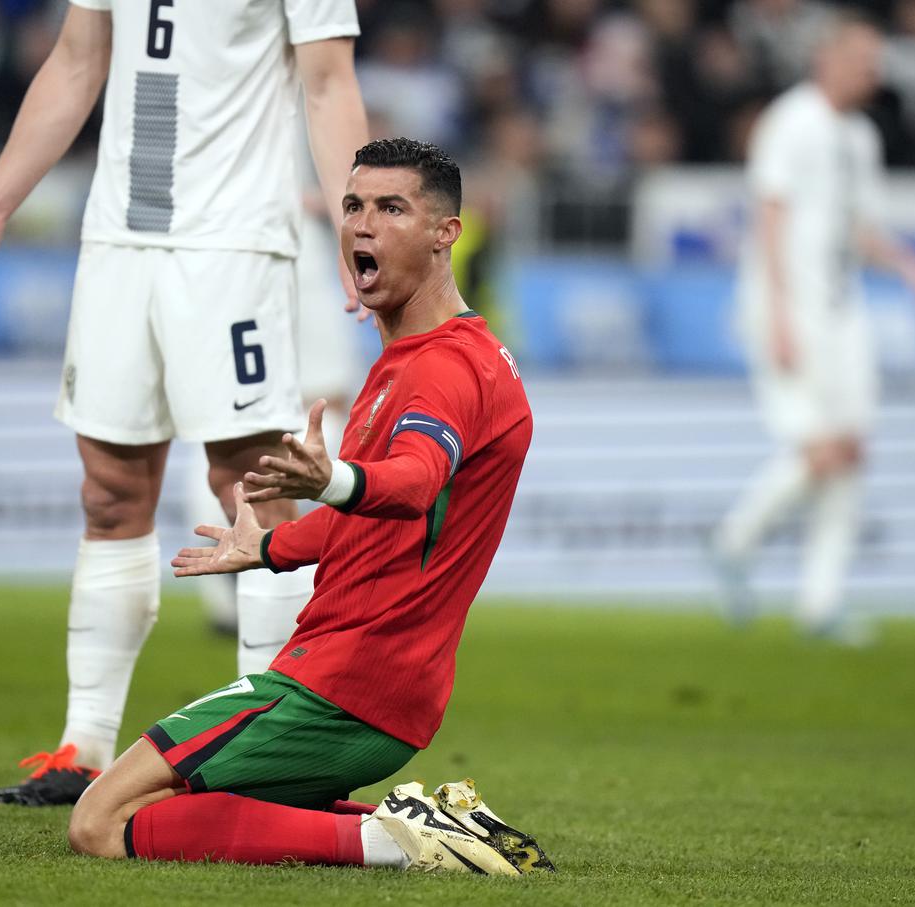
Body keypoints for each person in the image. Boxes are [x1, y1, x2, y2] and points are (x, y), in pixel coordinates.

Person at [0, 1, 370, 805]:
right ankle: (82, 749)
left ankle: (268, 754)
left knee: (257, 485)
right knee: (109, 489)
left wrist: (356, 218)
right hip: (119, 239)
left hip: (231, 241)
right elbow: (78, 60)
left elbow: (327, 82)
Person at [64, 138, 553, 875]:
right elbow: (379, 517)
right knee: (185, 816)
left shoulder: (448, 368)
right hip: (371, 686)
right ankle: (435, 827)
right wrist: (267, 547)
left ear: (445, 232)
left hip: (342, 686)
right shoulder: (423, 357)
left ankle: (392, 843)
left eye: (393, 208)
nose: (362, 225)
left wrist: (331, 480)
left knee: (100, 822)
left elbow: (414, 482)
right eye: (353, 205)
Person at [713, 11, 915, 642]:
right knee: (821, 450)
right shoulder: (793, 122)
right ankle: (735, 540)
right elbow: (771, 216)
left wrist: (912, 266)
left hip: (845, 310)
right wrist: (779, 312)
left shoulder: (860, 136)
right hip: (793, 307)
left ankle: (820, 602)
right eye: (863, 59)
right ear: (829, 60)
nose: (873, 72)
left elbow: (861, 229)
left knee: (852, 453)